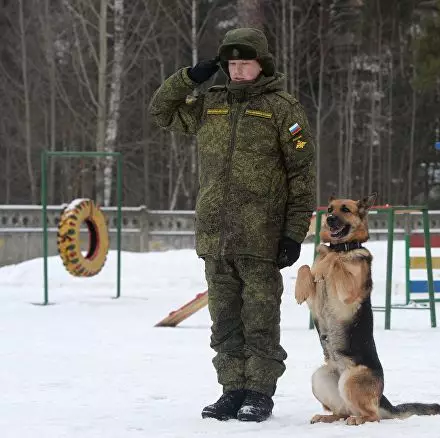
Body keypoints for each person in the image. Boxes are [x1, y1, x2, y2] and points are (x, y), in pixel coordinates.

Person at [148, 28, 316, 423]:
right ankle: (232, 389)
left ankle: (259, 392)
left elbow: (302, 175)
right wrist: (189, 77)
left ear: (262, 64)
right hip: (216, 236)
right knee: (224, 321)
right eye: (232, 64)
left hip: (262, 236)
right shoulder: (211, 104)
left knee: (259, 319)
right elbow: (161, 110)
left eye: (246, 63)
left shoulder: (282, 108)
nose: (239, 71)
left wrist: (294, 232)